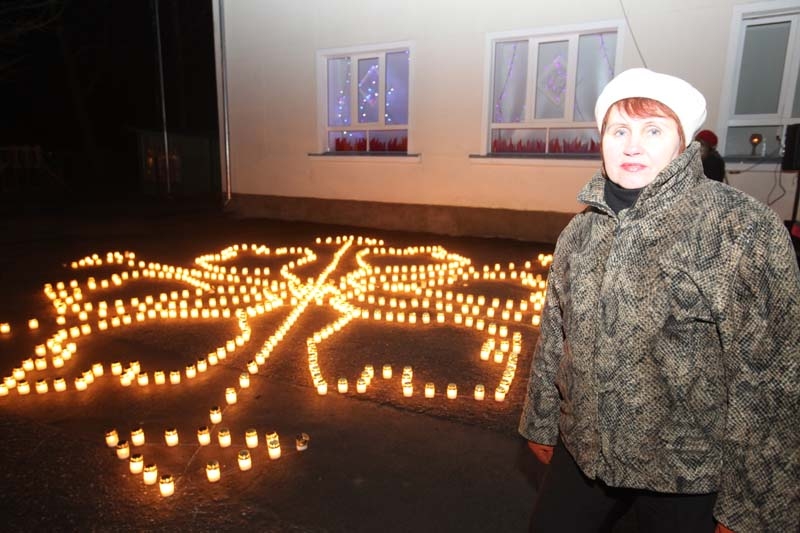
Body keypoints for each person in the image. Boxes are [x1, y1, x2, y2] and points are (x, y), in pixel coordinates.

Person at [519, 68, 799, 533]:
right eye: (619, 131)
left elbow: (770, 377)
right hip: (585, 447)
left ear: (682, 142)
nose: (633, 146)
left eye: (653, 130)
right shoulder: (581, 232)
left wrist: (752, 507)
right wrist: (542, 421)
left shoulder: (740, 230)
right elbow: (554, 337)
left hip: (686, 470)